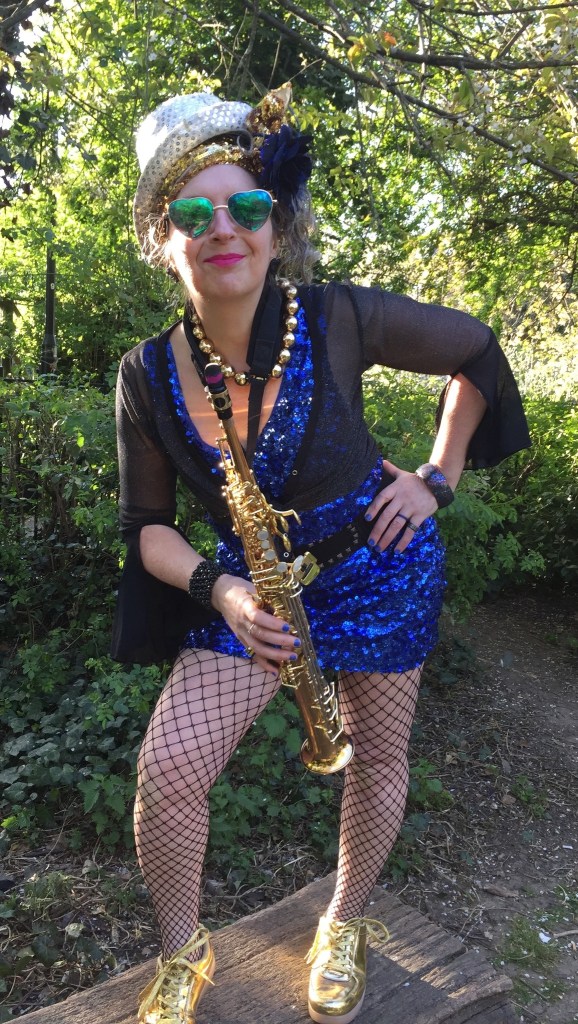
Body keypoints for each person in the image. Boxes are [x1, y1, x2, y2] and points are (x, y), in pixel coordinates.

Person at [112, 84, 530, 1024]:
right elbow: (146, 529)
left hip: (381, 566)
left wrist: (436, 478)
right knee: (169, 774)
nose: (224, 230)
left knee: (378, 762)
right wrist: (220, 591)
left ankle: (345, 921)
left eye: (246, 207)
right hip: (253, 595)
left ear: (277, 223)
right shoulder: (144, 374)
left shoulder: (336, 315)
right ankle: (182, 952)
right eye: (193, 215)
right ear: (163, 238)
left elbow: (478, 351)